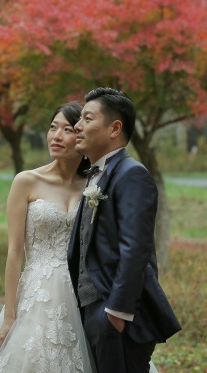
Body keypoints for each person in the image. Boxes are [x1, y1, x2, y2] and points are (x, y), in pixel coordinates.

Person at [0, 101, 95, 372]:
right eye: (52, 127)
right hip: (37, 295)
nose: (56, 136)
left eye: (67, 129)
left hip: (84, 294)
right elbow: (14, 252)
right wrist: (9, 316)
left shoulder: (94, 186)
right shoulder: (26, 181)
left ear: (82, 136)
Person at [68, 88, 181, 373]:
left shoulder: (132, 174)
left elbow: (136, 248)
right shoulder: (97, 174)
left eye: (87, 118)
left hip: (114, 315)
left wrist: (116, 313)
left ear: (114, 128)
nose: (77, 126)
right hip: (91, 310)